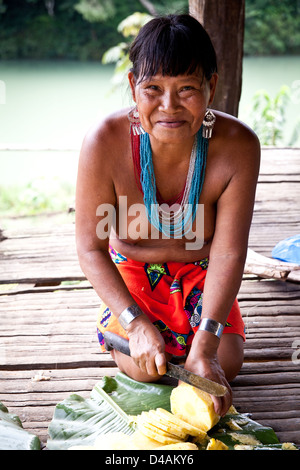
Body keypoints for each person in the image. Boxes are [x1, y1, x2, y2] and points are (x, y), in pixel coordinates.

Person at [75, 14, 260, 418]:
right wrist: (136, 323)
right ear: (132, 87)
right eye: (153, 89)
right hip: (134, 272)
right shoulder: (104, 143)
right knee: (141, 368)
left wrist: (206, 347)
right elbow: (90, 248)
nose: (169, 106)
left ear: (211, 86)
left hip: (203, 269)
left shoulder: (238, 147)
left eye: (187, 89)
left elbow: (228, 253)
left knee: (225, 363)